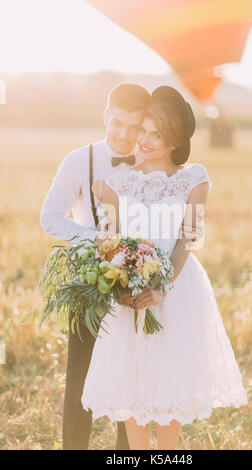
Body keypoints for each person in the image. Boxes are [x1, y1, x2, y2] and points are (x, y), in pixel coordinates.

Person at [81, 86, 248, 450]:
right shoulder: (114, 181)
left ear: (174, 140)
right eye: (143, 130)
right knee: (132, 387)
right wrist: (120, 281)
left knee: (171, 388)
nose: (143, 140)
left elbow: (190, 238)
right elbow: (107, 239)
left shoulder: (194, 178)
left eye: (156, 134)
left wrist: (162, 285)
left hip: (177, 290)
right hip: (129, 292)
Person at [40, 83, 152, 450]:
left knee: (130, 387)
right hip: (88, 288)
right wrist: (96, 241)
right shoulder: (78, 161)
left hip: (133, 290)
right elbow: (49, 217)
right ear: (106, 116)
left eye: (134, 127)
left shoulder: (151, 164)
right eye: (117, 123)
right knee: (81, 386)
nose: (123, 134)